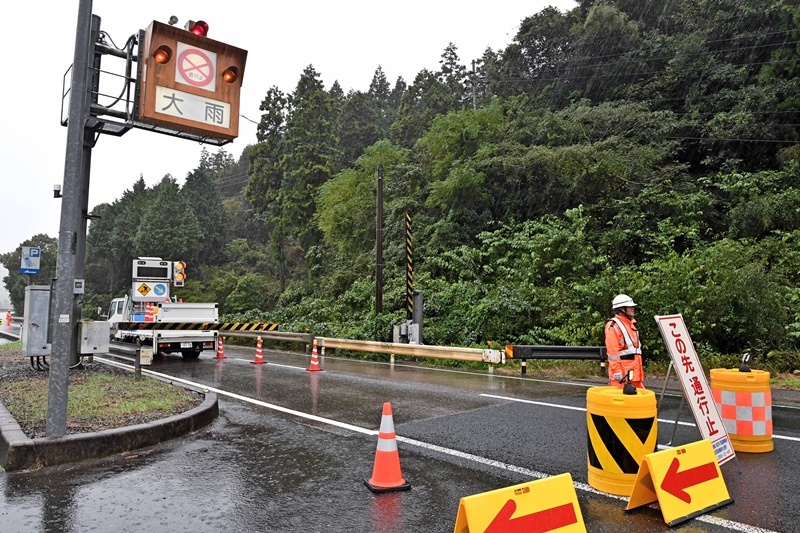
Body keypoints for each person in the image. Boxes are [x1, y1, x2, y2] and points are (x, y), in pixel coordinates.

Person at [604, 294, 645, 389]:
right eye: (630, 306)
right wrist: (617, 372)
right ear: (622, 309)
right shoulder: (613, 325)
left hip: (634, 374)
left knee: (640, 402)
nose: (633, 308)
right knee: (621, 402)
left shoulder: (631, 324)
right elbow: (612, 352)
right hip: (622, 376)